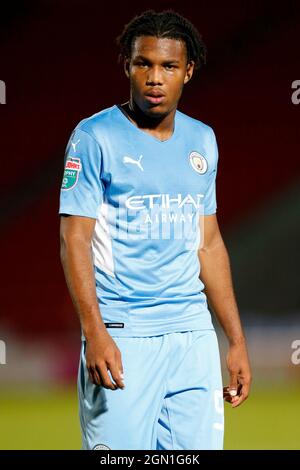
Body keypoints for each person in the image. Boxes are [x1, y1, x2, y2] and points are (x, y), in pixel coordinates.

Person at [59, 9, 251, 450]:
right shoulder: (94, 137)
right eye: (143, 63)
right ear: (127, 65)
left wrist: (236, 340)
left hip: (193, 336)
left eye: (167, 66)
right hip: (124, 336)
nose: (154, 77)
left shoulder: (203, 140)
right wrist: (96, 333)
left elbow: (209, 243)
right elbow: (74, 239)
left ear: (189, 71)